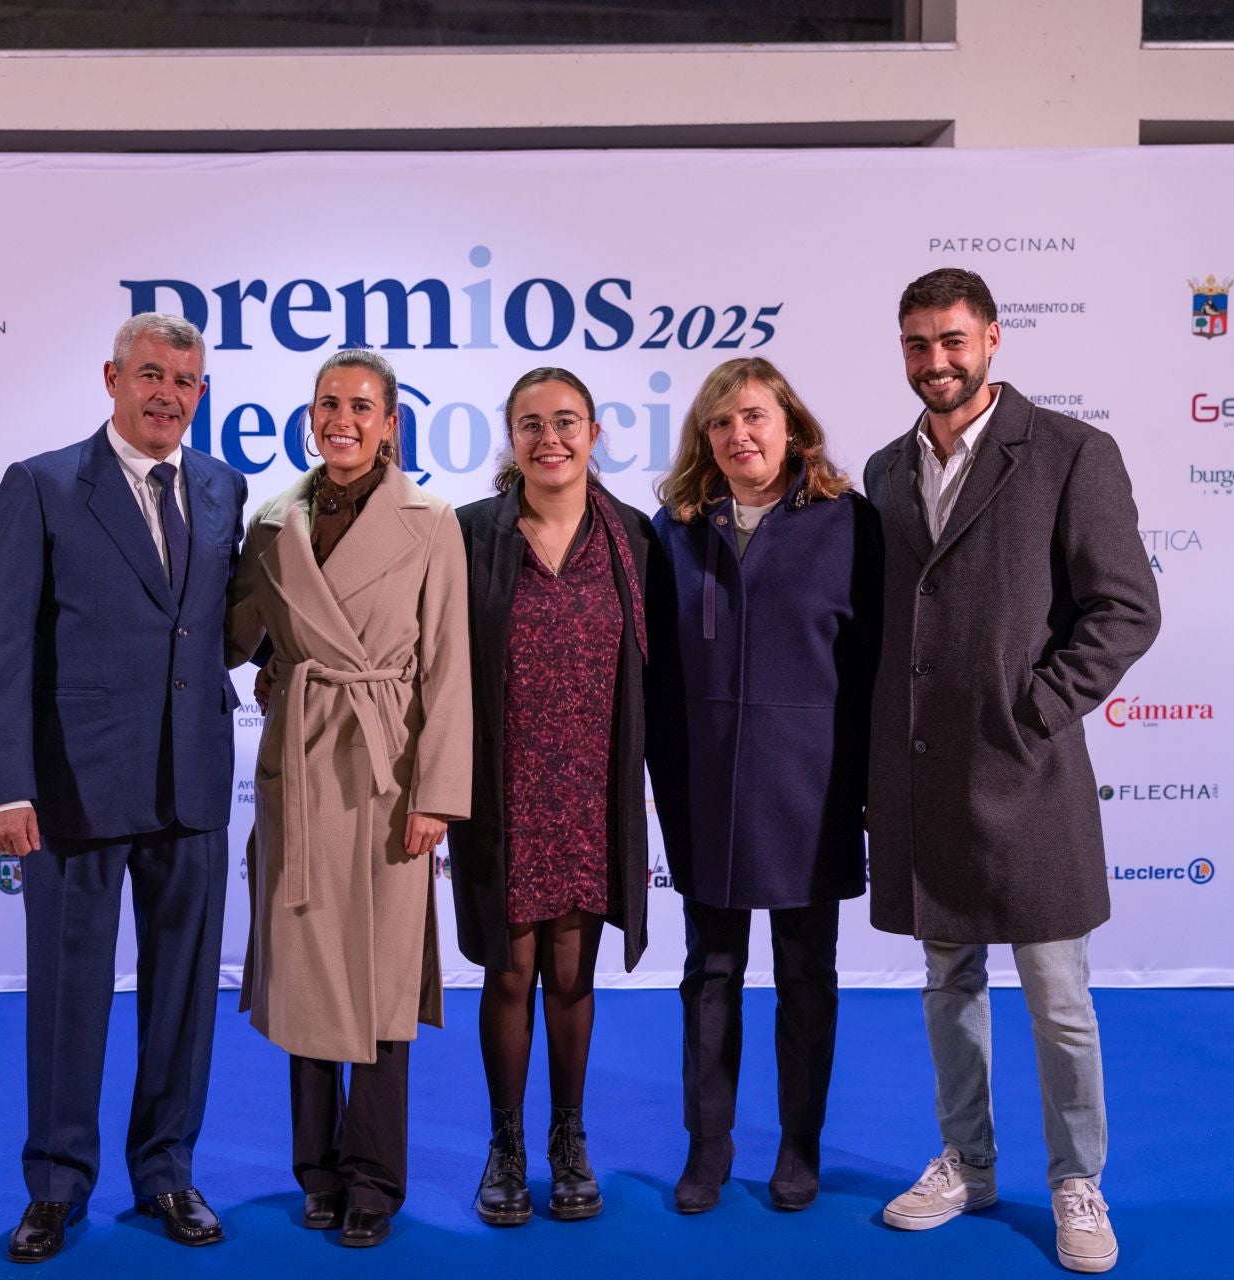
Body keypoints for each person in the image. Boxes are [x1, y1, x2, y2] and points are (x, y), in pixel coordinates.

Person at [862, 268, 1159, 1274]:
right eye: (916, 344)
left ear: (992, 337)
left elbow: (1125, 607)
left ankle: (1078, 1177)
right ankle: (969, 1161)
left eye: (951, 339)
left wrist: (1034, 706)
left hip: (1028, 770)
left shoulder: (1072, 452)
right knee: (947, 981)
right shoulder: (886, 469)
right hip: (923, 770)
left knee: (1058, 995)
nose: (934, 362)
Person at [0, 312, 246, 1262]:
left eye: (186, 380)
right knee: (67, 996)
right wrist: (4, 786)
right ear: (112, 378)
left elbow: (212, 630)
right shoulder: (42, 486)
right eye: (152, 375)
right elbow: (0, 646)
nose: (169, 394)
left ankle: (167, 1170)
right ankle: (55, 1186)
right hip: (73, 789)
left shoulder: (222, 486)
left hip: (193, 785)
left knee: (184, 999)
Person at [226, 349, 471, 1249]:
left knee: (378, 981)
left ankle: (373, 1176)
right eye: (328, 404)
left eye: (361, 407)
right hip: (299, 772)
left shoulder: (431, 520)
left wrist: (436, 794)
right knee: (304, 975)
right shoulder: (271, 521)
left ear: (391, 422)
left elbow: (449, 668)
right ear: (309, 415)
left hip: (388, 773)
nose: (342, 420)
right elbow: (235, 633)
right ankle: (314, 1171)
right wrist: (278, 672)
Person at [645, 357, 883, 1215]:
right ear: (703, 441)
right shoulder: (671, 530)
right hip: (705, 788)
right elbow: (655, 674)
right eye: (720, 424)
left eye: (752, 417)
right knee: (709, 970)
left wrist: (864, 793)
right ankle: (707, 1149)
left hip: (809, 789)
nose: (738, 435)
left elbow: (871, 671)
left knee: (806, 973)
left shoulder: (849, 524)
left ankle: (798, 1148)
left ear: (791, 425)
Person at [448, 368, 655, 1226]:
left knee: (572, 972)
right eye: (530, 424)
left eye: (565, 422)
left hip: (593, 787)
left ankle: (570, 1138)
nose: (550, 439)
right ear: (511, 437)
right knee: (508, 969)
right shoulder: (469, 535)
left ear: (596, 432)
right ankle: (506, 1144)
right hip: (503, 783)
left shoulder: (636, 540)